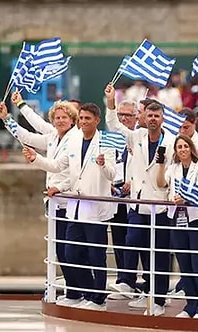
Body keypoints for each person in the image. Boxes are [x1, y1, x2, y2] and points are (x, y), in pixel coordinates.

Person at [23, 103, 117, 311]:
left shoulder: (106, 143)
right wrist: (36, 158)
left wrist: (103, 165)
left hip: (96, 209)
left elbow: (113, 175)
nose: (83, 122)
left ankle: (98, 299)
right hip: (76, 207)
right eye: (81, 118)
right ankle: (84, 292)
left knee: (96, 256)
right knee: (70, 252)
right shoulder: (73, 144)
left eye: (87, 119)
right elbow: (58, 167)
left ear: (96, 121)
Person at [0, 96, 83, 306]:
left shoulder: (76, 139)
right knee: (60, 250)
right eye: (58, 117)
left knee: (71, 249)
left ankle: (78, 292)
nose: (61, 120)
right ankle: (73, 291)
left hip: (70, 200)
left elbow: (58, 166)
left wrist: (36, 159)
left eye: (64, 117)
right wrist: (7, 118)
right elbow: (27, 134)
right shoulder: (53, 137)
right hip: (55, 203)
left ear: (72, 120)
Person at [105, 84, 175, 316]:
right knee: (132, 240)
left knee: (160, 256)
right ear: (143, 117)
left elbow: (173, 172)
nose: (153, 119)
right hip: (138, 203)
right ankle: (129, 280)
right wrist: (111, 102)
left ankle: (158, 299)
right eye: (150, 115)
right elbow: (114, 124)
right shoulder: (137, 136)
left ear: (162, 118)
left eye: (157, 116)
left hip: (162, 205)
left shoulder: (172, 142)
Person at [157, 135, 198, 319]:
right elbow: (161, 184)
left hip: (196, 220)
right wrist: (161, 165)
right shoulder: (173, 169)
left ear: (191, 148)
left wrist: (186, 199)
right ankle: (191, 304)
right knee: (184, 263)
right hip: (177, 219)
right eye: (179, 147)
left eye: (185, 146)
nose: (182, 149)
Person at [106, 99, 137, 300]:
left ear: (136, 117)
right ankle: (123, 280)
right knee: (118, 239)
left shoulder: (139, 138)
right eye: (121, 115)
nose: (124, 119)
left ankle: (146, 283)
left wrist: (132, 182)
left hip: (136, 199)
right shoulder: (111, 139)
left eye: (128, 115)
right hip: (116, 197)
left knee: (136, 241)